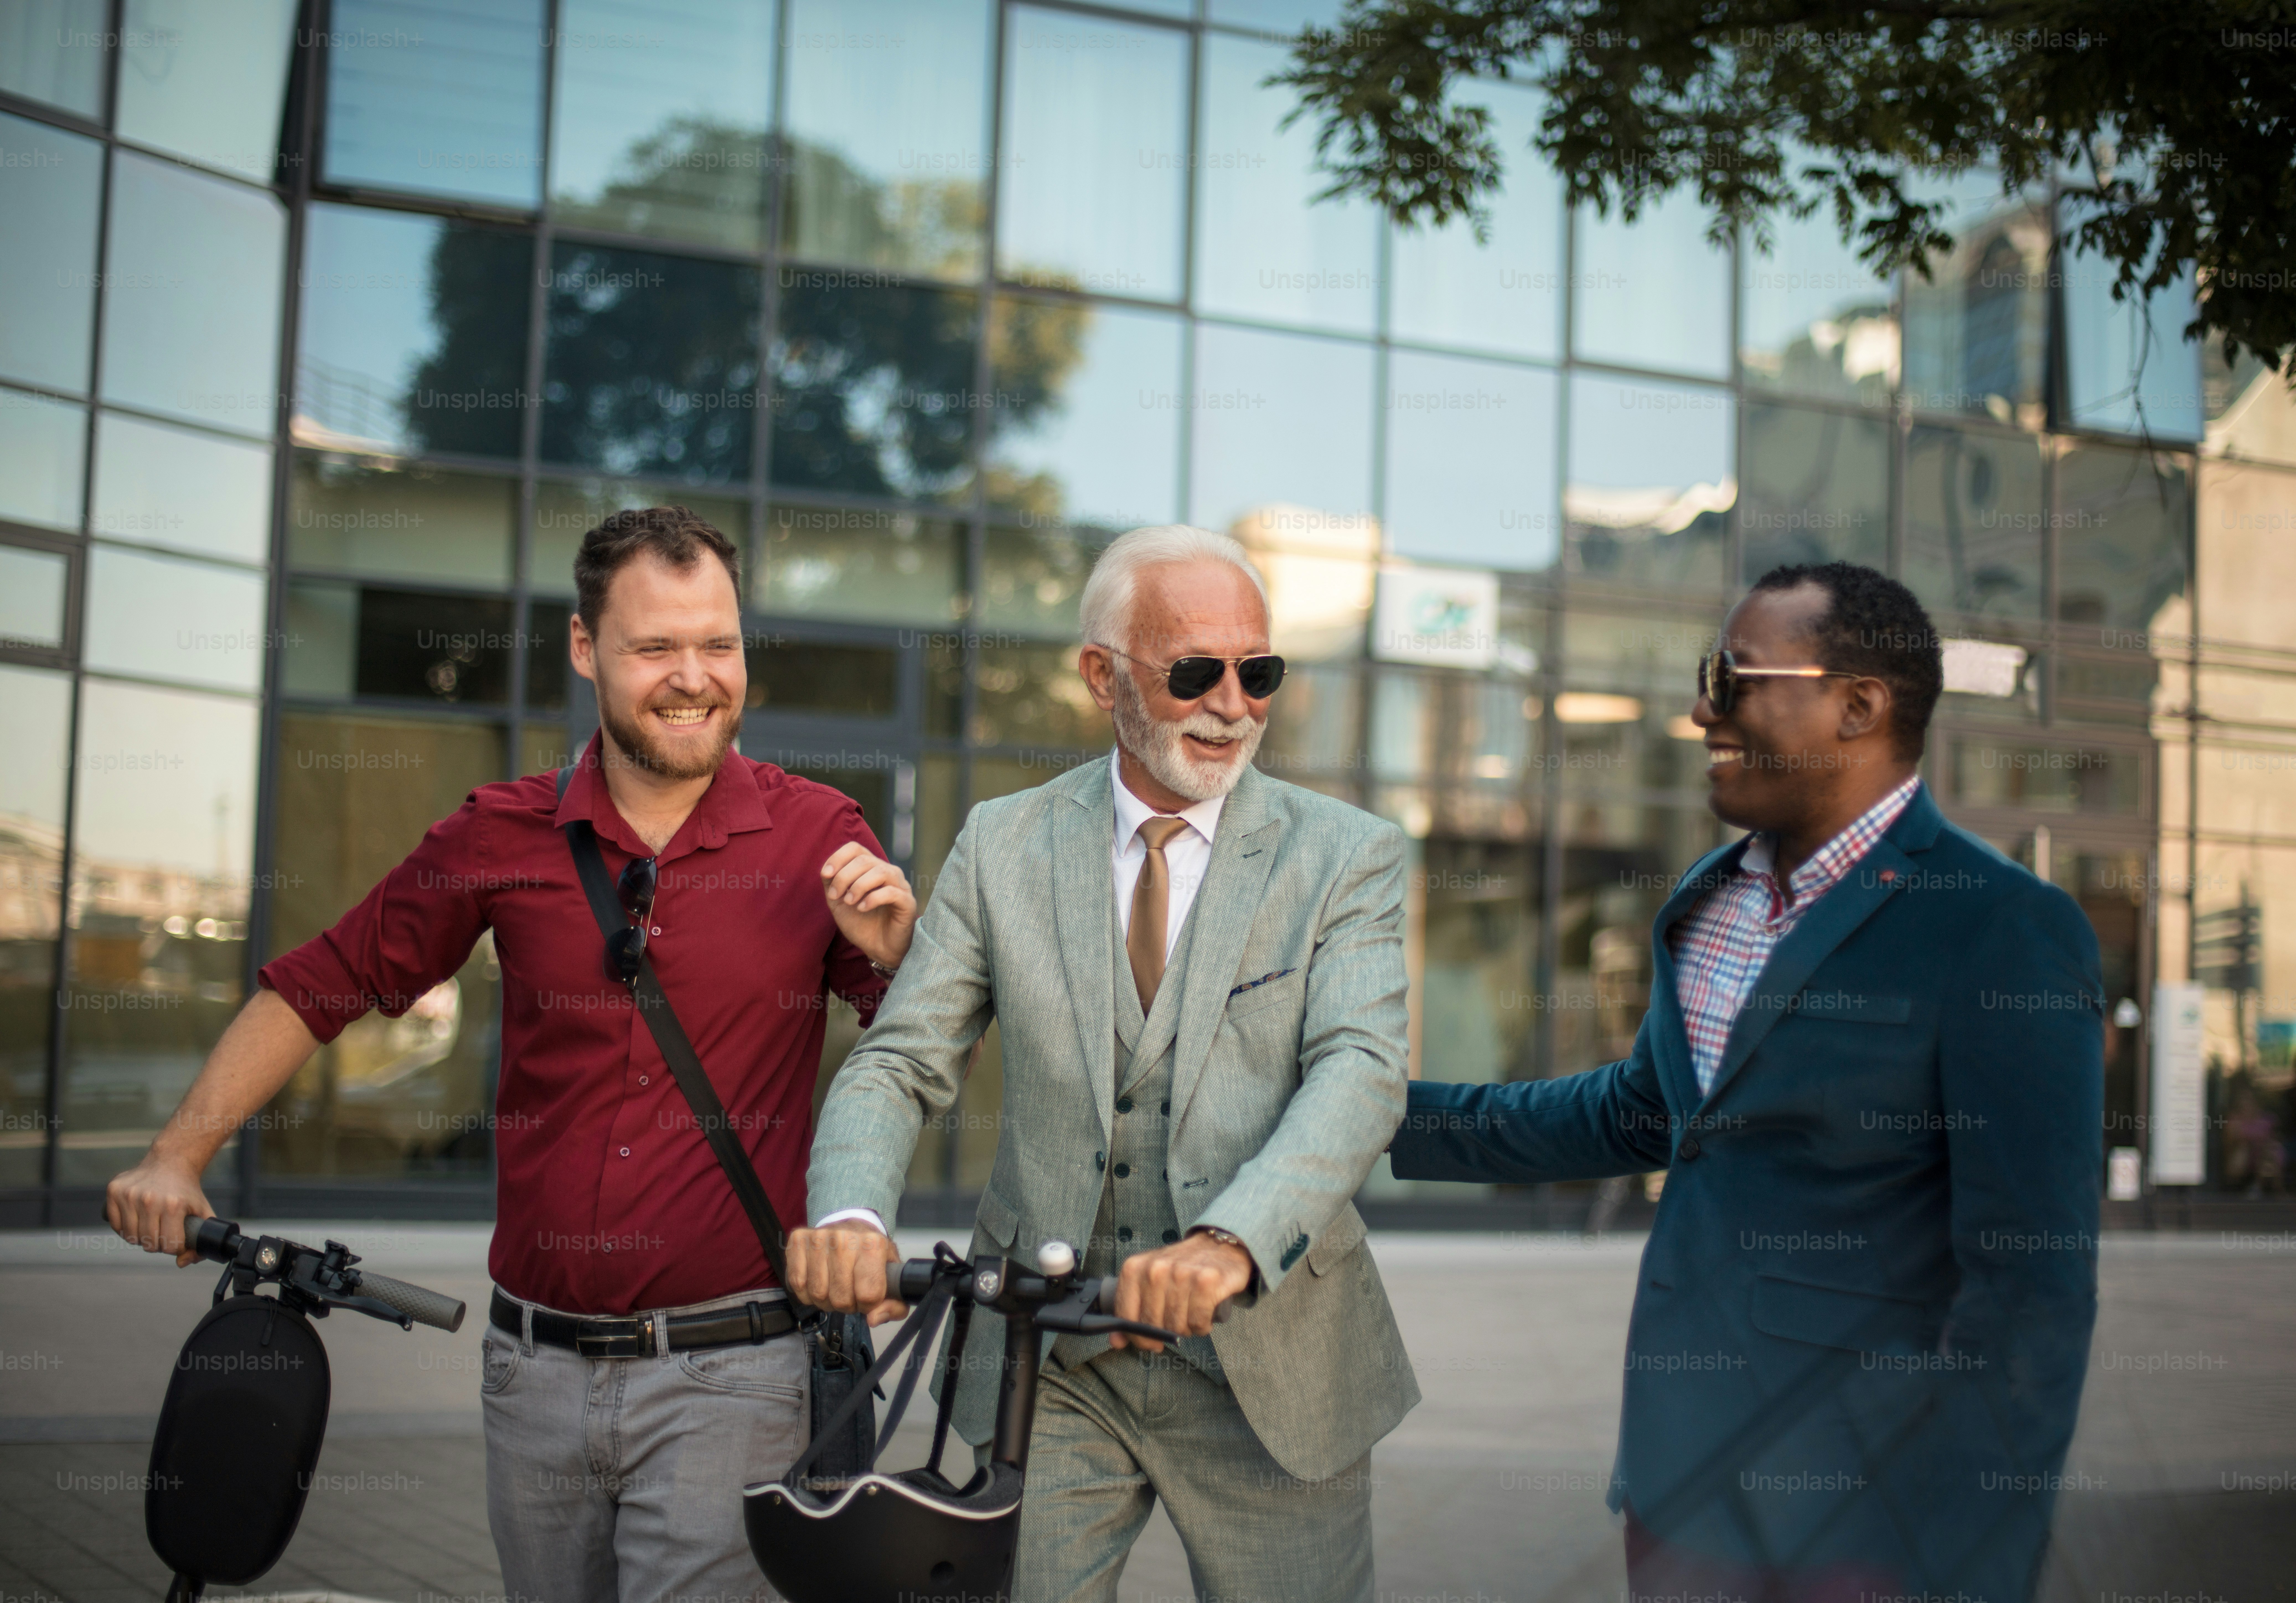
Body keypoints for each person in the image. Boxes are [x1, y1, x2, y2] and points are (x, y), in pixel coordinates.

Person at [105, 507, 918, 1603]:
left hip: (734, 1375)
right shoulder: (501, 831)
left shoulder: (822, 832)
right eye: (654, 647)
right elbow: (320, 983)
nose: (693, 677)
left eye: (717, 644)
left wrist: (901, 955)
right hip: (529, 1375)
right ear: (585, 649)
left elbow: (917, 1046)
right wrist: (175, 1155)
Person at [1394, 563, 2103, 1602]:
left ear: (1858, 705)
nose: (1699, 710)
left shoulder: (2002, 928)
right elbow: (1644, 1112)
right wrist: (1376, 1110)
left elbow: (2031, 1292)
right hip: (1679, 1493)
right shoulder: (1708, 900)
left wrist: (1970, 1559)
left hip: (1872, 1524)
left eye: (1733, 678)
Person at [785, 524, 1420, 1603]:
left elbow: (1359, 1069)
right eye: (1194, 671)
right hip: (1045, 1359)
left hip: (1267, 1361)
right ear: (1100, 675)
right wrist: (849, 1215)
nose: (1233, 703)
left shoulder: (1346, 855)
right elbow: (900, 1059)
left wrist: (1229, 1241)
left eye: (1256, 671)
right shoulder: (1000, 843)